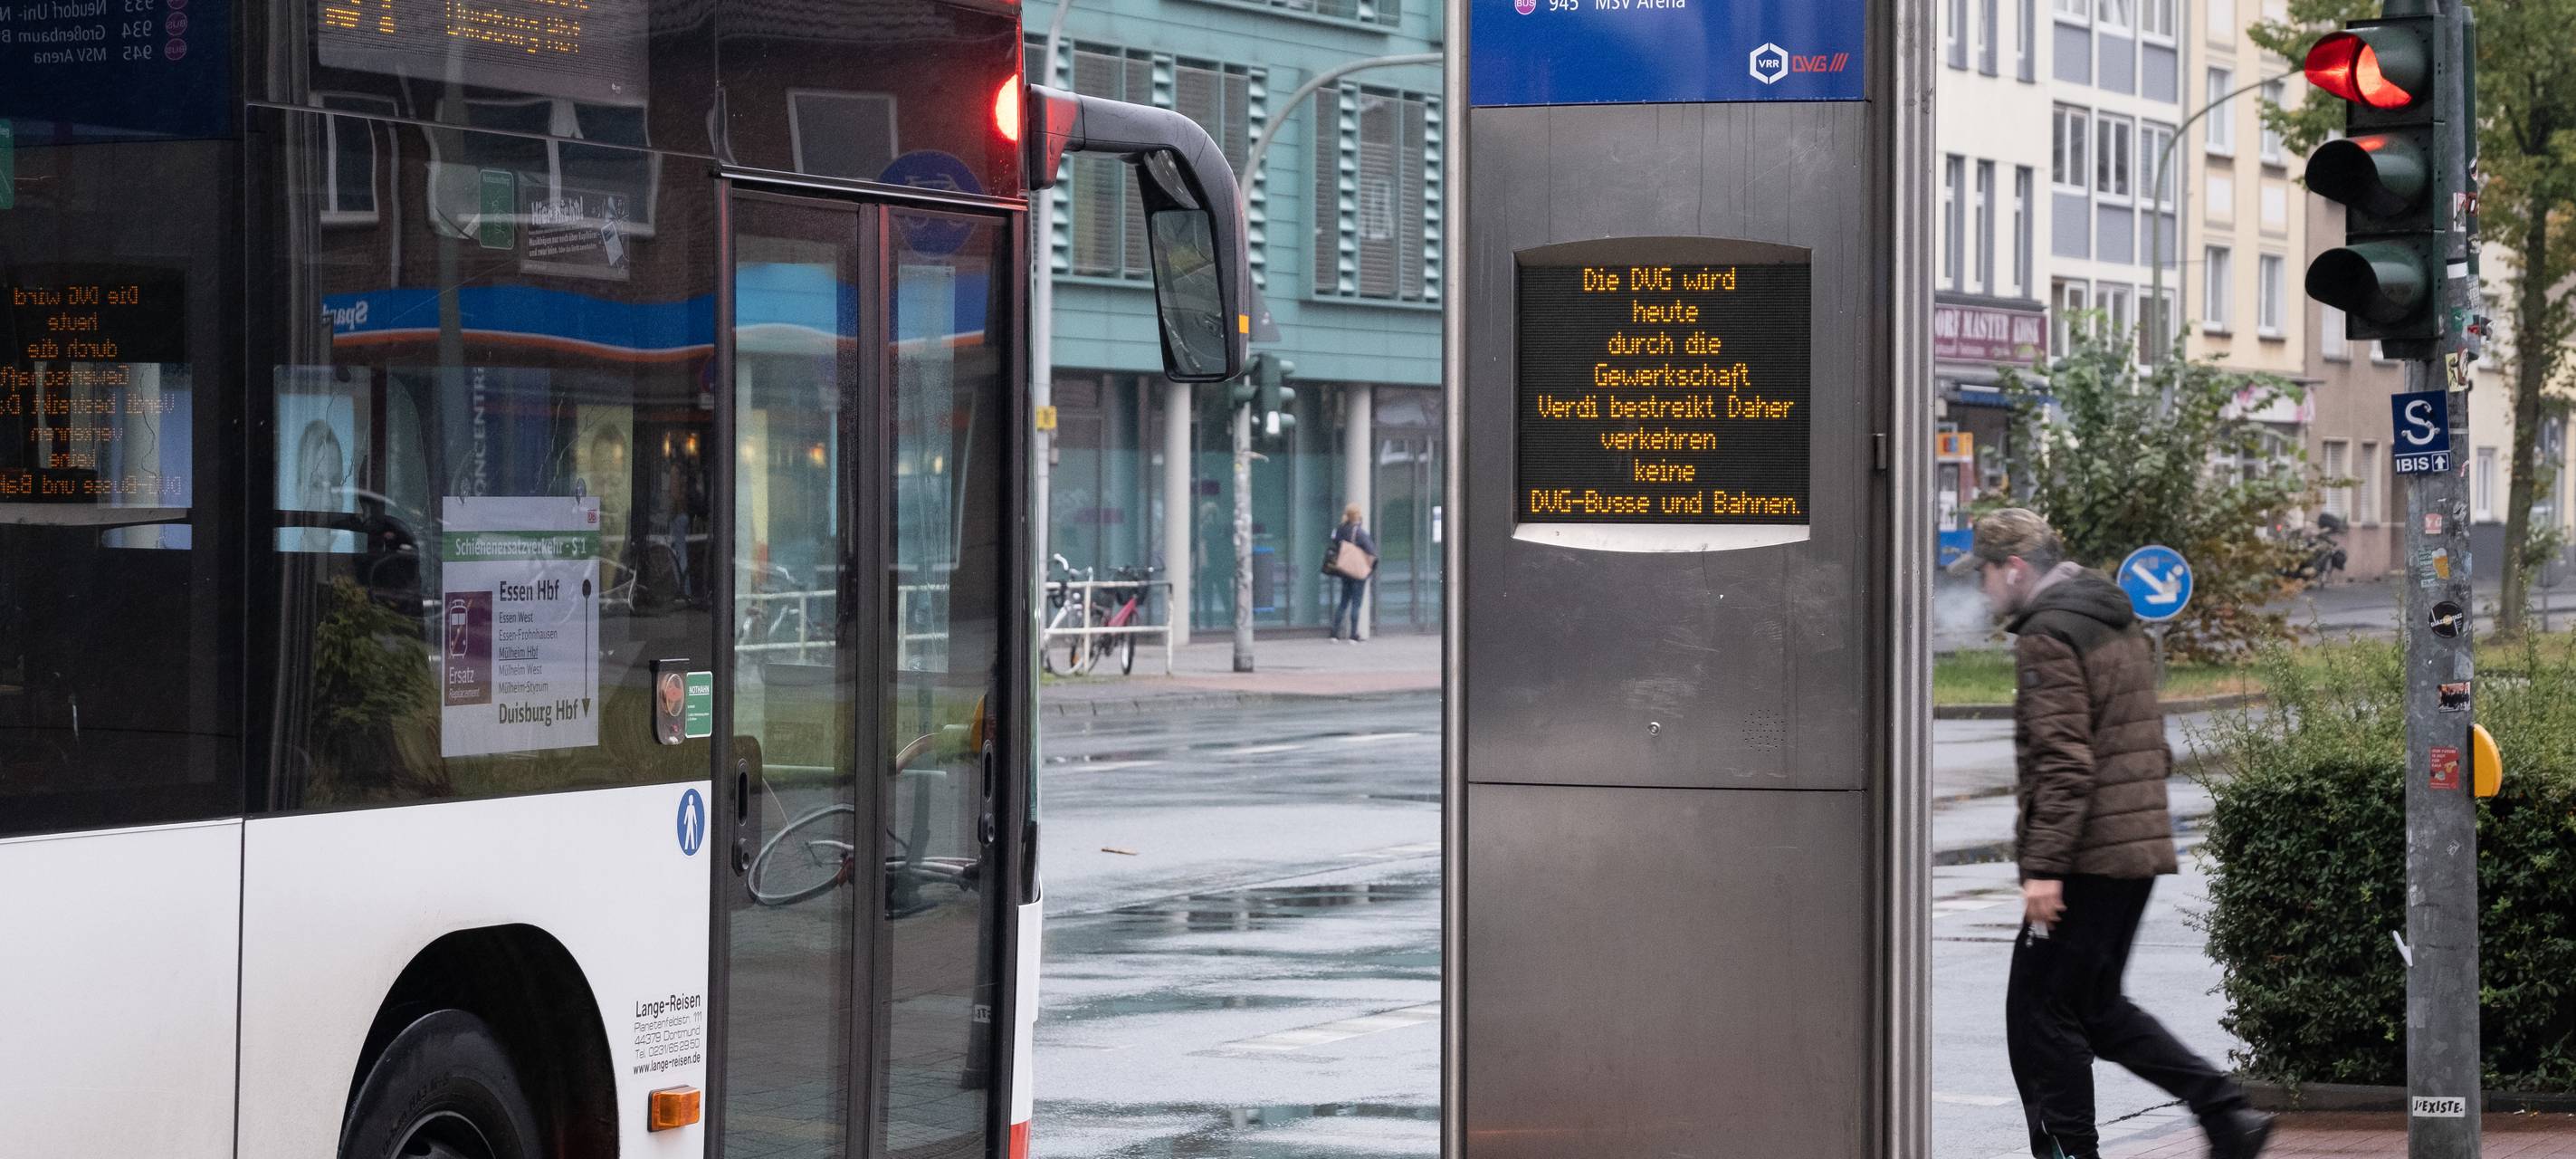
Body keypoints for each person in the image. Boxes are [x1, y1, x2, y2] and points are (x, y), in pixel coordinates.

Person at [1950, 509, 2272, 1159]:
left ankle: (2073, 1152)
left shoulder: (2050, 633)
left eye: (1984, 574)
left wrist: (2043, 869)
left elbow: (2064, 763)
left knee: (2040, 1019)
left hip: (2084, 859)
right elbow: (2151, 746)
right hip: (2133, 850)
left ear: (2013, 569)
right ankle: (2224, 1113)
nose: (1983, 591)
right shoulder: (2109, 620)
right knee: (2092, 1009)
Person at [1325, 503, 1376, 643]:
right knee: (1356, 603)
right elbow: (1371, 550)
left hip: (1344, 570)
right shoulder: (1358, 532)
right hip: (1357, 572)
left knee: (1343, 602)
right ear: (1358, 515)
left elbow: (1334, 543)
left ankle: (1334, 633)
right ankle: (1353, 634)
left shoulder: (1340, 529)